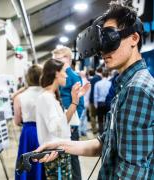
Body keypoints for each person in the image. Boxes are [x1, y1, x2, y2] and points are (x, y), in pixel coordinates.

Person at [33, 2, 154, 179]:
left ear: (134, 39)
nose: (103, 51)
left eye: (109, 39)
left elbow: (131, 172)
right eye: (100, 42)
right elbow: (105, 143)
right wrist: (62, 145)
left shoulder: (136, 89)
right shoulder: (126, 85)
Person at [35, 59, 90, 179]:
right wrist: (74, 102)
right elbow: (56, 127)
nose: (66, 75)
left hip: (59, 150)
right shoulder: (46, 98)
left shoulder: (51, 97)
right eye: (64, 71)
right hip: (55, 153)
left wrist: (75, 99)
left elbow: (64, 122)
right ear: (56, 73)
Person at [52, 46, 84, 180]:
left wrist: (72, 124)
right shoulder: (57, 76)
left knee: (72, 156)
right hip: (59, 120)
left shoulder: (74, 77)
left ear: (68, 60)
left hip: (70, 122)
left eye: (59, 59)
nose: (56, 62)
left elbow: (79, 104)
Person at [14, 64, 45, 180]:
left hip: (28, 132)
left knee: (25, 163)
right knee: (43, 163)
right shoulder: (48, 94)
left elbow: (17, 121)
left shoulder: (20, 97)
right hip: (44, 132)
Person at [94, 69, 111, 135]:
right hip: (108, 103)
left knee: (100, 119)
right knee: (107, 118)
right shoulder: (110, 84)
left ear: (102, 75)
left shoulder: (97, 83)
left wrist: (95, 105)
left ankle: (101, 133)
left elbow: (95, 95)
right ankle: (107, 132)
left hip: (100, 103)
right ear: (108, 75)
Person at [88, 66, 102, 134]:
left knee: (92, 116)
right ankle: (100, 129)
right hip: (100, 100)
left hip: (92, 100)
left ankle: (94, 130)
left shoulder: (93, 79)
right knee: (100, 116)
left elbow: (90, 90)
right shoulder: (101, 78)